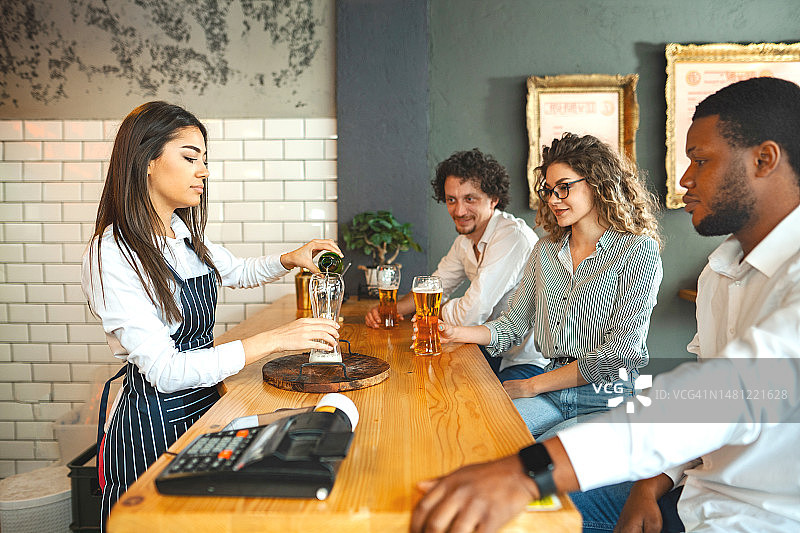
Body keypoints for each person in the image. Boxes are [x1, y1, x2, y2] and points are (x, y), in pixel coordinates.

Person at [411, 76, 800, 533]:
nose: (684, 178)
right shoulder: (719, 271)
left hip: (735, 500)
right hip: (695, 495)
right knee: (468, 450)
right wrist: (651, 485)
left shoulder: (639, 252)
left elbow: (715, 394)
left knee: (521, 505)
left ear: (764, 159)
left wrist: (526, 470)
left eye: (701, 160)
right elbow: (705, 417)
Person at [81, 101, 342, 529]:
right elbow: (165, 372)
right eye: (189, 158)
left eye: (205, 160)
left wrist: (291, 258)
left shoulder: (181, 233)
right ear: (146, 161)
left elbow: (235, 271)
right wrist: (276, 339)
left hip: (206, 407)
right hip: (155, 423)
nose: (203, 171)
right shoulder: (112, 252)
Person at [437, 133, 662, 440]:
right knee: (479, 434)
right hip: (553, 391)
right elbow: (513, 326)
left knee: (540, 461)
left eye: (564, 188)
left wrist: (531, 386)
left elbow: (618, 354)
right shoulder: (544, 251)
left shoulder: (638, 249)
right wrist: (456, 332)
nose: (554, 199)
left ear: (597, 183)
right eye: (549, 190)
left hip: (607, 397)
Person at [364, 148, 547, 381]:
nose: (459, 211)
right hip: (489, 350)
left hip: (528, 359)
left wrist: (430, 312)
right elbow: (434, 286)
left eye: (470, 199)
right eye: (452, 200)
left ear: (493, 199)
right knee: (420, 378)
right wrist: (389, 311)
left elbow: (471, 313)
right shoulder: (464, 241)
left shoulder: (511, 237)